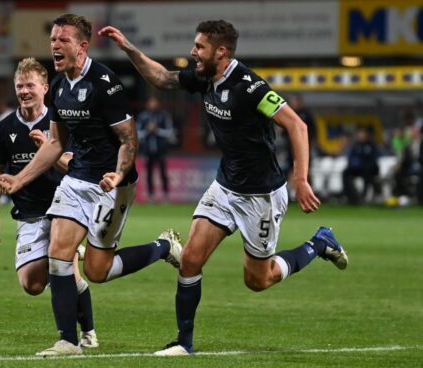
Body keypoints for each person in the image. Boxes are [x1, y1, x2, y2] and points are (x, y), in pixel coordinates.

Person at [99, 20, 349, 356]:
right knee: (189, 259)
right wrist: (128, 47)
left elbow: (297, 125)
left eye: (199, 47)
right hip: (225, 186)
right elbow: (161, 78)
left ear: (221, 51)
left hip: (260, 195)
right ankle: (183, 343)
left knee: (258, 280)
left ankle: (319, 243)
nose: (193, 52)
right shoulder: (204, 78)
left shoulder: (250, 87)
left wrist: (301, 179)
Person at [0, 14, 183, 356]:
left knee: (98, 271)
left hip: (112, 184)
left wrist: (117, 174)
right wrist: (19, 179)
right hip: (77, 177)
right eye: (53, 39)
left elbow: (129, 140)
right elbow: (55, 143)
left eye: (63, 40)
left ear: (82, 47)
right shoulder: (57, 87)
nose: (55, 45)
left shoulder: (104, 83)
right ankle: (68, 341)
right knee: (58, 255)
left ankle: (162, 248)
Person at [0, 57, 99, 350]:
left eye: (30, 85)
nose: (24, 91)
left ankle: (87, 334)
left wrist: (48, 151)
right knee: (31, 284)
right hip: (28, 214)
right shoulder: (4, 127)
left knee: (64, 269)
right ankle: (70, 255)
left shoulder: (62, 123)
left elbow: (75, 169)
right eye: (19, 86)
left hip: (63, 209)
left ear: (45, 88)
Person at [136, 96, 175, 203]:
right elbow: (138, 134)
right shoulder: (143, 116)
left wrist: (156, 130)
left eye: (154, 102)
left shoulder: (164, 116)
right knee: (149, 174)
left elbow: (169, 132)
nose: (152, 105)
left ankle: (165, 196)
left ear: (158, 104)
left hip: (161, 150)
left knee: (163, 173)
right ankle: (150, 196)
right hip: (147, 150)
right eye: (150, 103)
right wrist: (147, 130)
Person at [341, 128, 381, 205]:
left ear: (366, 134)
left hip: (369, 169)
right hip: (358, 169)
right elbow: (351, 157)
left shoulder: (371, 145)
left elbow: (374, 159)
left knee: (367, 172)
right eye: (359, 133)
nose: (360, 135)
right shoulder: (356, 145)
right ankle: (350, 196)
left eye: (362, 133)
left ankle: (364, 196)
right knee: (345, 172)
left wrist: (364, 164)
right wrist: (353, 164)